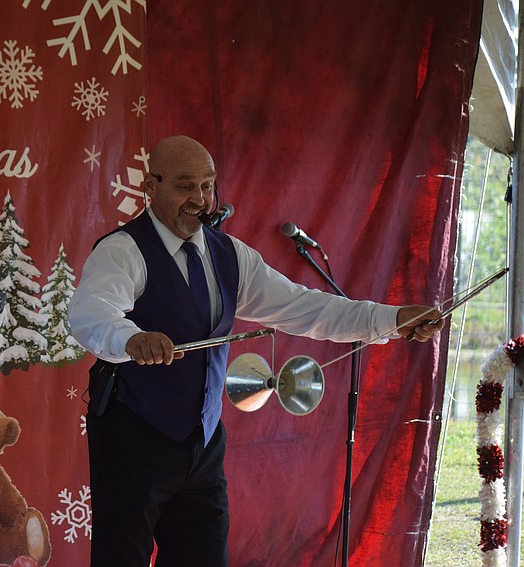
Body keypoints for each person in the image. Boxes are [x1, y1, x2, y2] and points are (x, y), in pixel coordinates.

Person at [67, 134, 444, 567]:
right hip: (132, 436)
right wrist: (129, 339)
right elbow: (92, 314)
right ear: (150, 188)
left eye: (208, 186)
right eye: (185, 185)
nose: (200, 199)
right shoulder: (122, 250)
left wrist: (392, 319)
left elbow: (306, 308)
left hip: (202, 444)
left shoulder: (232, 256)